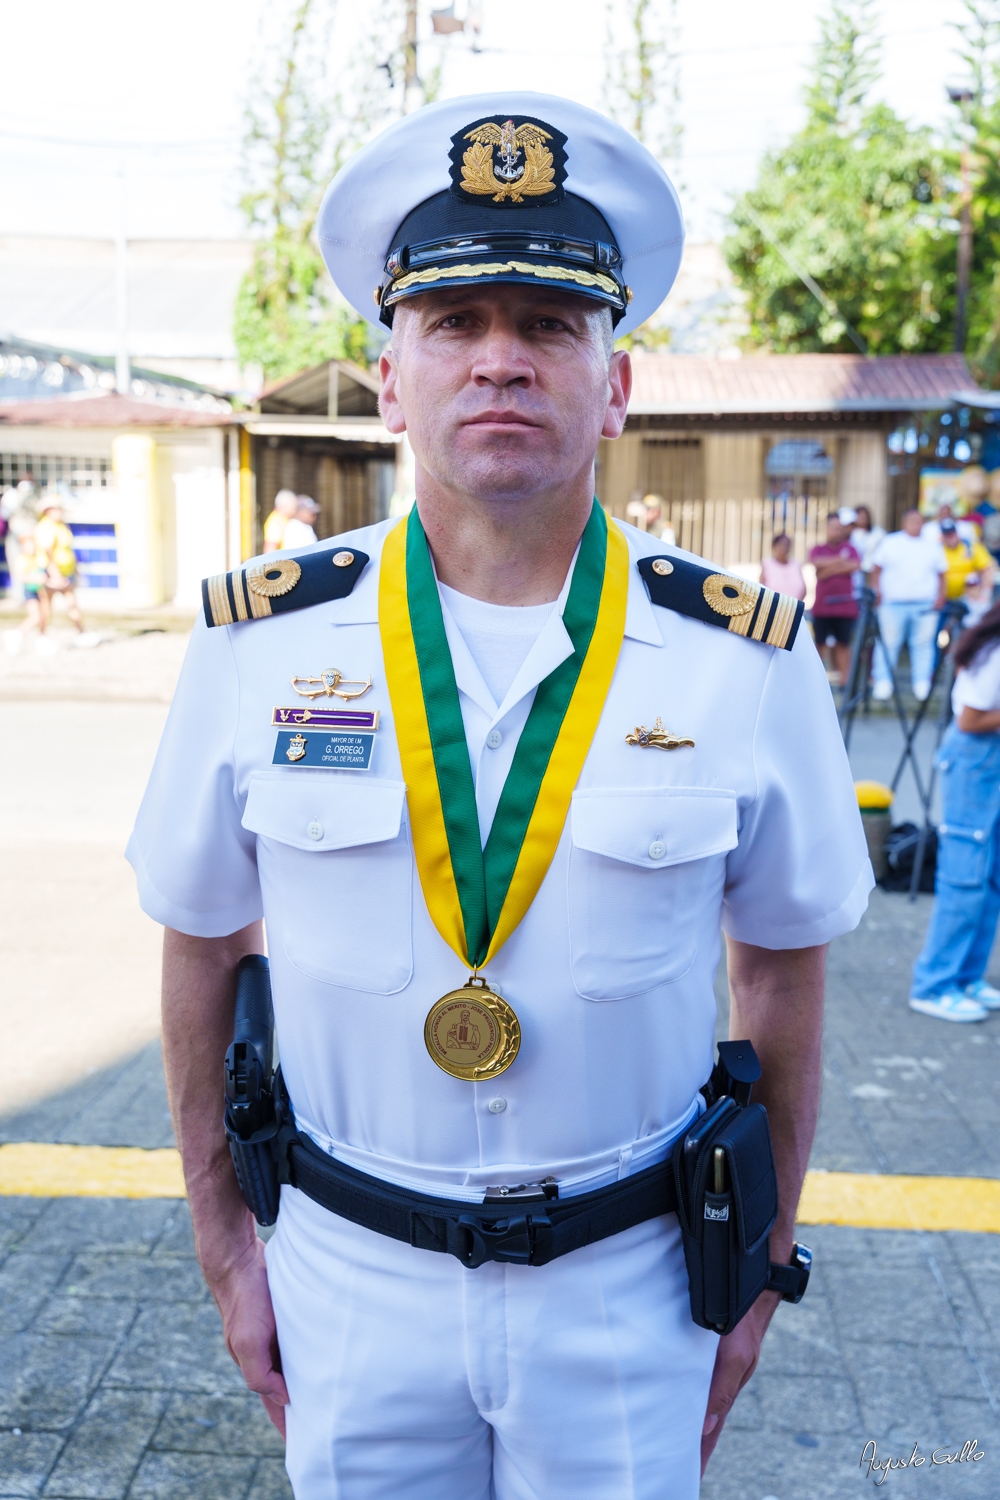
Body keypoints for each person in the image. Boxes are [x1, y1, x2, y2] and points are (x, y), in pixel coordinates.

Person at [127, 93, 872, 1500]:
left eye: (548, 324)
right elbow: (201, 943)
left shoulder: (742, 660)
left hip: (635, 1284)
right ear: (389, 377)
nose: (501, 363)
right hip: (345, 1277)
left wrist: (762, 1268)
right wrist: (228, 1245)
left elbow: (781, 976)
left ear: (617, 381)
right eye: (456, 324)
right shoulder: (260, 644)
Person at [910, 602, 1000, 1022]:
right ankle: (933, 985)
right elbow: (970, 720)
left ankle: (965, 977)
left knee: (990, 877)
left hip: (987, 761)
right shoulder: (995, 651)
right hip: (977, 761)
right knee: (965, 877)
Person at [869, 508, 946, 702]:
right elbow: (876, 569)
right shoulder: (890, 542)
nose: (916, 525)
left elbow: (941, 573)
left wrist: (940, 596)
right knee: (888, 643)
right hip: (892, 603)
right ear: (904, 523)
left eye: (919, 521)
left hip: (925, 604)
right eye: (912, 521)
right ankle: (883, 681)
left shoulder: (932, 546)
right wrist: (876, 591)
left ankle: (921, 682)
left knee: (923, 644)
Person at [809, 511, 861, 685]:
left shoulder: (851, 549)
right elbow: (816, 564)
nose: (836, 531)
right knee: (819, 645)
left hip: (845, 608)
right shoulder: (818, 548)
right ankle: (816, 682)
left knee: (843, 645)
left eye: (839, 528)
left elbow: (854, 565)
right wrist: (840, 561)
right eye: (833, 528)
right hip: (823, 607)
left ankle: (845, 683)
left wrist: (827, 568)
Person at [34, 498, 88, 638]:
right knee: (46, 605)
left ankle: (82, 633)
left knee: (72, 603)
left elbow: (67, 549)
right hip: (51, 571)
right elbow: (49, 553)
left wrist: (74, 569)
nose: (60, 511)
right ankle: (42, 635)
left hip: (66, 571)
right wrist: (55, 575)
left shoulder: (61, 525)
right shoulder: (45, 527)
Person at [939, 518, 994, 619]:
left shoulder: (970, 547)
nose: (950, 537)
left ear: (957, 533)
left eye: (952, 533)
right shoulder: (938, 550)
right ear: (942, 536)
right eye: (947, 535)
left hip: (969, 600)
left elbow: (987, 568)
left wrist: (986, 592)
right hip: (944, 600)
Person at [760, 533, 805, 601]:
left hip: (794, 608)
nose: (784, 548)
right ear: (774, 546)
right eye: (781, 544)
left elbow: (804, 590)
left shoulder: (796, 564)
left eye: (787, 545)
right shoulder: (767, 564)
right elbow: (761, 588)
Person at [848, 505, 886, 578]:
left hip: (871, 571)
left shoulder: (878, 533)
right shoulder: (850, 533)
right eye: (860, 516)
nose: (863, 519)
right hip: (855, 571)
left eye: (865, 516)